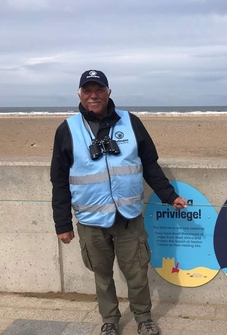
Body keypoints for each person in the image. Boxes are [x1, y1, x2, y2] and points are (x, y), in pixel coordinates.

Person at [50, 69, 187, 335]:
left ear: (108, 92)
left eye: (99, 90)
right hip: (91, 220)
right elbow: (59, 180)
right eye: (87, 90)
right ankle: (110, 321)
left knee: (136, 273)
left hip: (129, 218)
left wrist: (169, 196)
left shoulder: (130, 122)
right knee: (102, 276)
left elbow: (149, 165)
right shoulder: (67, 129)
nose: (94, 95)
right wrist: (62, 223)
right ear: (79, 94)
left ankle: (144, 318)